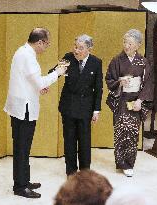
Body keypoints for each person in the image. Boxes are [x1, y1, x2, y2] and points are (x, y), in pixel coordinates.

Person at [3, 27, 66, 198]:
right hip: (24, 109)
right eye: (47, 44)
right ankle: (20, 187)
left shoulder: (23, 51)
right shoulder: (28, 56)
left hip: (20, 105)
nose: (46, 48)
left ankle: (24, 180)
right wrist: (57, 73)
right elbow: (38, 81)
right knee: (22, 148)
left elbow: (29, 81)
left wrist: (39, 86)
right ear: (40, 42)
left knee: (23, 148)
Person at [105, 29, 154, 177]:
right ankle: (120, 162)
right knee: (120, 131)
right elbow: (109, 80)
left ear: (138, 45)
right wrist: (120, 82)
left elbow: (148, 83)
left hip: (136, 101)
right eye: (125, 42)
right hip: (121, 100)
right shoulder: (116, 60)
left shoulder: (143, 62)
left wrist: (140, 100)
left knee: (132, 132)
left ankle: (129, 164)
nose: (126, 46)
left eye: (130, 43)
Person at [56, 34, 103, 176]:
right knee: (69, 140)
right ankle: (70, 172)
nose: (76, 50)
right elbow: (55, 72)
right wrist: (45, 83)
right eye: (75, 46)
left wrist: (96, 110)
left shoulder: (96, 62)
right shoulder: (68, 58)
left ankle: (85, 172)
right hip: (68, 106)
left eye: (81, 48)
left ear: (89, 48)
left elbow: (98, 87)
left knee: (84, 141)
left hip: (85, 108)